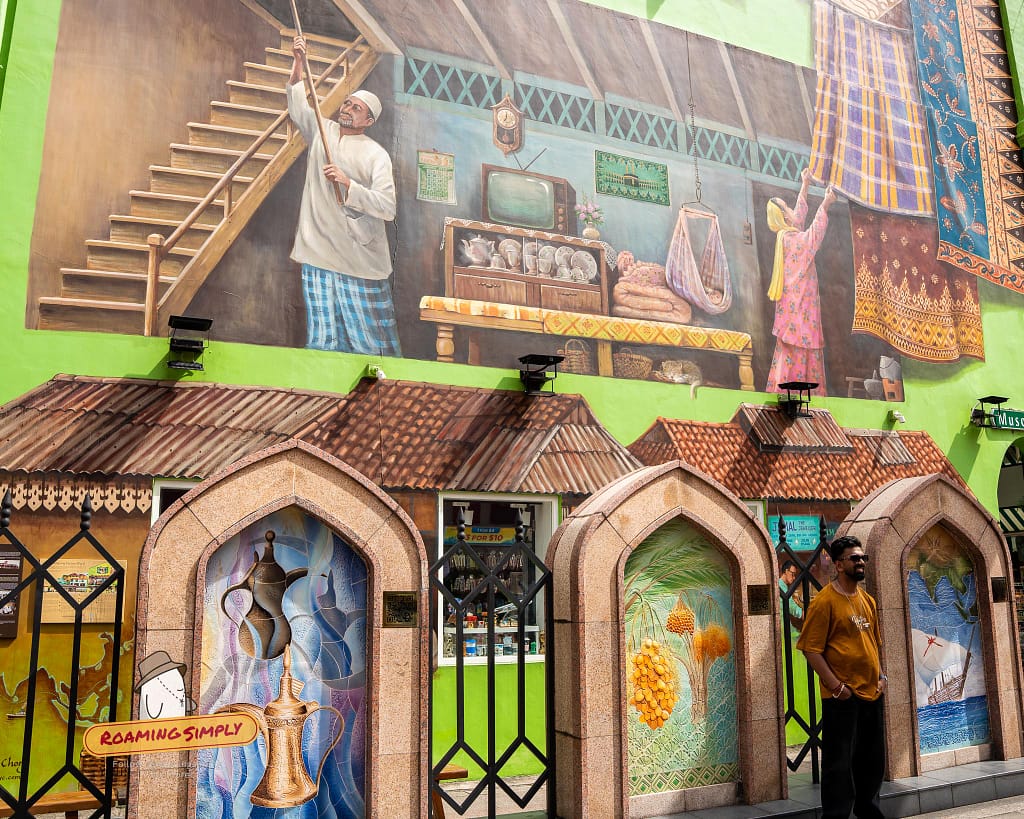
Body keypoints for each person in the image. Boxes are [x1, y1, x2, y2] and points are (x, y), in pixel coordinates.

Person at [287, 36, 401, 355]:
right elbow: (297, 104)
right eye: (348, 103)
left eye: (356, 108)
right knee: (323, 339)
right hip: (318, 251)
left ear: (369, 121)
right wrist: (298, 62)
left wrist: (349, 184)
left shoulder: (376, 154)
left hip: (358, 260)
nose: (348, 109)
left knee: (371, 343)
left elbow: (388, 207)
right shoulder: (322, 131)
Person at [797, 535, 887, 819]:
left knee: (872, 761)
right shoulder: (824, 602)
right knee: (839, 765)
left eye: (863, 558)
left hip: (872, 692)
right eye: (854, 558)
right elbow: (811, 650)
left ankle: (868, 812)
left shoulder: (867, 600)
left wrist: (881, 677)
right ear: (838, 565)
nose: (861, 562)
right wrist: (836, 687)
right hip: (843, 698)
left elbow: (873, 644)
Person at [765, 168, 836, 396]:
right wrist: (825, 204)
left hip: (795, 308)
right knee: (799, 352)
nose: (791, 210)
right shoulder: (790, 239)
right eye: (787, 207)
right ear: (784, 217)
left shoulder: (785, 236)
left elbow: (799, 218)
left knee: (792, 354)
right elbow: (812, 237)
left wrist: (805, 184)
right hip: (800, 309)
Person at [779, 559, 804, 633]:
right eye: (792, 574)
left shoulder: (782, 585)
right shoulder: (781, 586)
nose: (794, 578)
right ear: (786, 571)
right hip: (784, 628)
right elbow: (792, 607)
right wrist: (803, 613)